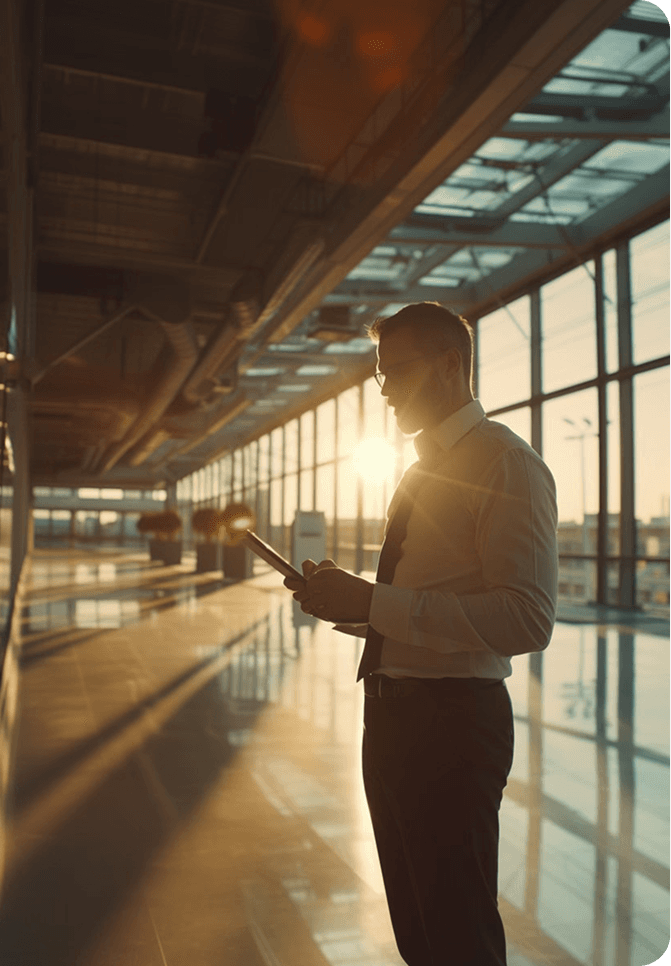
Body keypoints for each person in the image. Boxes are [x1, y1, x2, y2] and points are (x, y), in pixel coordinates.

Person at [284, 301, 558, 966]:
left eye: (396, 373)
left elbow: (526, 617)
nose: (386, 393)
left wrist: (377, 600)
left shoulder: (504, 465)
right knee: (418, 928)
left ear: (449, 366)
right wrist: (353, 607)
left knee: (455, 929)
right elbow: (427, 603)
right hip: (394, 722)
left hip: (452, 726)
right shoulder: (420, 467)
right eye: (380, 379)